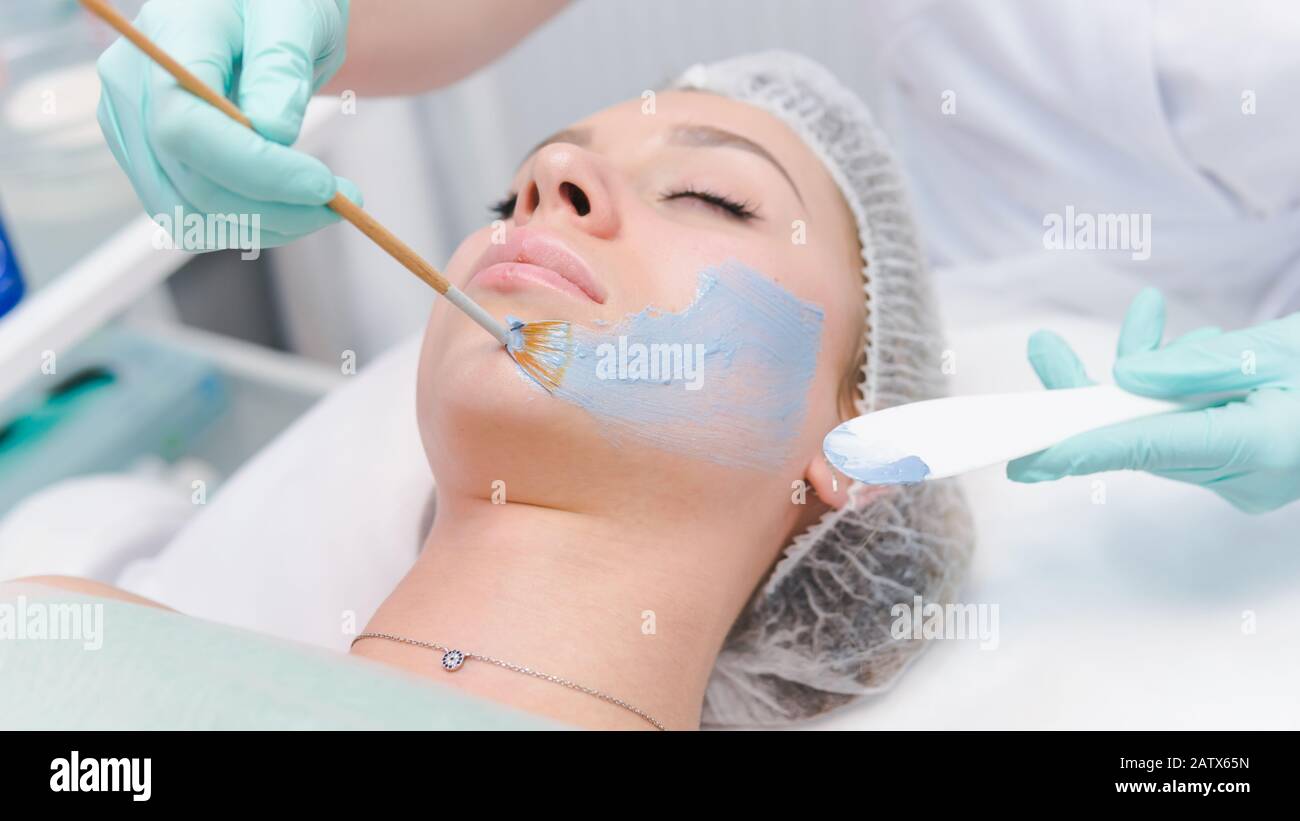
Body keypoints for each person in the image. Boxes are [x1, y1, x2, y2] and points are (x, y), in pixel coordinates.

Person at [38, 50, 972, 729]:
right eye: (506, 201)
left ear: (864, 448)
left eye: (705, 195)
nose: (547, 178)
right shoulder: (58, 637)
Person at [94, 0, 1300, 515]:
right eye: (518, 184)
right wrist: (295, 16)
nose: (543, 194)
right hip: (968, 278)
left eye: (710, 197)